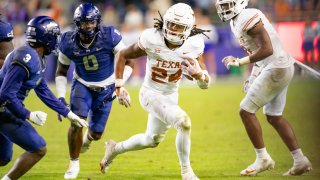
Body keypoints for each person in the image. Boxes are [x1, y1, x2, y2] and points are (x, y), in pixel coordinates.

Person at [100, 3, 211, 180]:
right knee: (184, 122)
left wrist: (199, 76)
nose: (174, 29)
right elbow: (122, 55)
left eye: (179, 26)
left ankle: (114, 148)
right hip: (150, 94)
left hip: (170, 96)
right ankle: (187, 172)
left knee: (151, 140)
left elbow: (205, 83)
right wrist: (119, 86)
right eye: (171, 23)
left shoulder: (194, 44)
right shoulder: (152, 38)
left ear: (188, 29)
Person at [215, 0, 312, 176]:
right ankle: (300, 160)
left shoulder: (246, 16)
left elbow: (267, 49)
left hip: (277, 67)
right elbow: (258, 54)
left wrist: (239, 62)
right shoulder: (235, 20)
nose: (224, 9)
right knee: (274, 117)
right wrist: (253, 76)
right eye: (222, 6)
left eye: (228, 4)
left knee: (245, 111)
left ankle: (263, 158)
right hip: (276, 66)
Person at [0, 16, 88, 180]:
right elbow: (5, 94)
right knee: (39, 149)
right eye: (54, 35)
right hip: (4, 108)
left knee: (3, 158)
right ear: (45, 37)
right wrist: (28, 114)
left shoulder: (35, 57)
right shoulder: (27, 57)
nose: (56, 40)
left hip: (6, 107)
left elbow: (43, 90)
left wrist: (68, 114)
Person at [55, 3, 133, 179]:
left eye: (92, 22)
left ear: (98, 21)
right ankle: (73, 162)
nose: (89, 26)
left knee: (97, 133)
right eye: (84, 23)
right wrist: (60, 97)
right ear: (77, 24)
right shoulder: (68, 42)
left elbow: (129, 61)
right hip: (82, 84)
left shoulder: (109, 36)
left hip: (107, 87)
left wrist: (120, 85)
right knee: (77, 121)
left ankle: (88, 140)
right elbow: (61, 71)